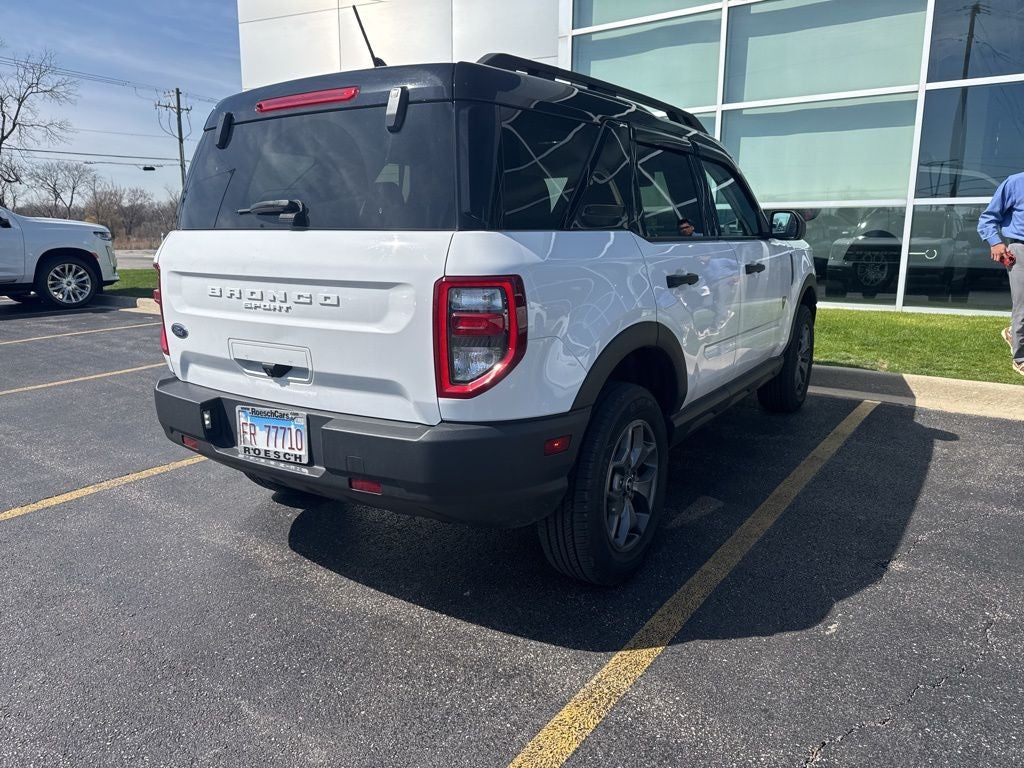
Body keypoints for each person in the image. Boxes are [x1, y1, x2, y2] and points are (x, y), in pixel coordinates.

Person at [977, 174, 1024, 376]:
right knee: (1023, 305)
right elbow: (987, 218)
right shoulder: (1015, 182)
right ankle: (1020, 358)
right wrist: (995, 242)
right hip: (1020, 248)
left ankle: (1012, 334)